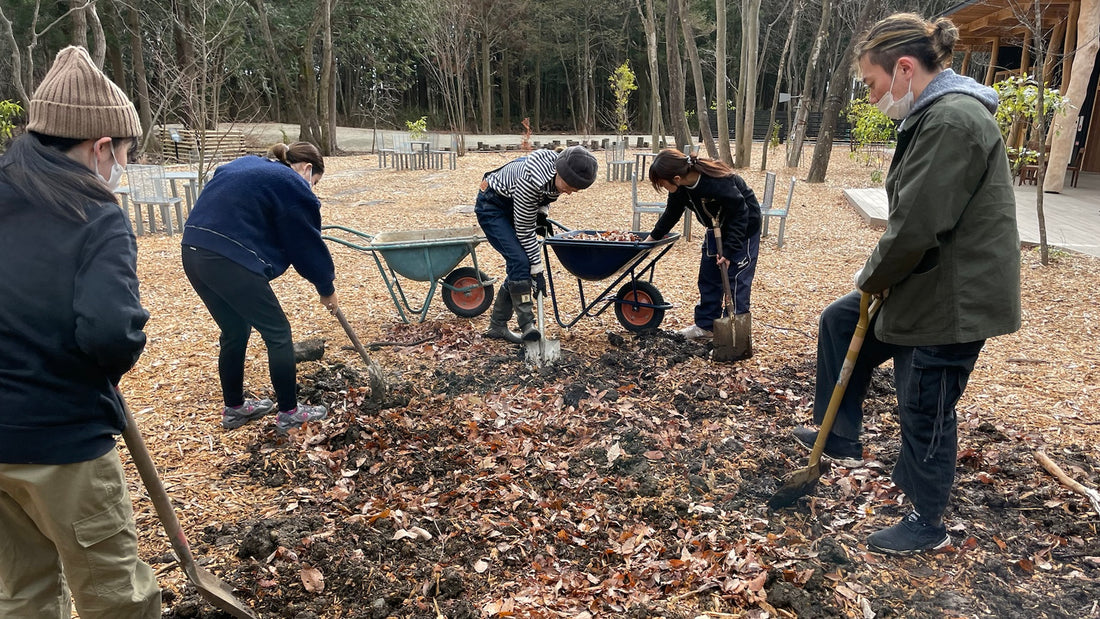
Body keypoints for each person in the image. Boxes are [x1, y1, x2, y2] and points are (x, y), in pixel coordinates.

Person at [791, 13, 1020, 555]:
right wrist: (874, 284)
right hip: (927, 279)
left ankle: (926, 518)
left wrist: (873, 276)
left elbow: (916, 224)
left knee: (925, 399)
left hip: (953, 296)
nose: (872, 98)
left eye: (872, 84)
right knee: (841, 319)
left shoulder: (951, 122)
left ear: (904, 68)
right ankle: (840, 435)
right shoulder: (935, 115)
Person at [0, 46, 160, 618]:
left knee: (21, 594)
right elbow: (110, 332)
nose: (120, 166)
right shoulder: (95, 214)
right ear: (100, 148)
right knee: (114, 597)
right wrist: (118, 348)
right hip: (60, 441)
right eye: (123, 153)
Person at [181, 141, 336, 435]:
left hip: (193, 249)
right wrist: (326, 287)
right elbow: (304, 244)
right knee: (278, 332)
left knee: (235, 330)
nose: (311, 189)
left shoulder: (249, 164)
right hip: (226, 258)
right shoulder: (293, 183)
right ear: (307, 169)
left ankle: (235, 408)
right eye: (314, 183)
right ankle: (290, 412)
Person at [646, 149, 761, 359]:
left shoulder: (717, 182)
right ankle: (706, 326)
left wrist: (729, 250)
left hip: (743, 228)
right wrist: (652, 239)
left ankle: (734, 335)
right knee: (709, 275)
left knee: (735, 279)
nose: (664, 188)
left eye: (663, 184)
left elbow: (740, 213)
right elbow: (672, 213)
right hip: (714, 228)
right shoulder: (680, 188)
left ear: (677, 178)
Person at [476, 145, 598, 343]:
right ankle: (527, 326)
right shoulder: (531, 181)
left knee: (519, 264)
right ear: (560, 172)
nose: (568, 193)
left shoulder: (557, 173)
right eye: (569, 187)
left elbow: (545, 196)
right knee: (519, 261)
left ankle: (497, 326)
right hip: (492, 206)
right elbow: (525, 232)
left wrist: (541, 215)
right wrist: (538, 272)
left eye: (575, 190)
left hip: (514, 205)